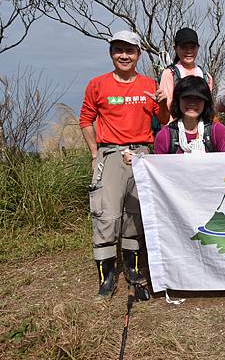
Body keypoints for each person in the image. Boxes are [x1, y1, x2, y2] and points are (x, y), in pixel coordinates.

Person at [79, 30, 169, 299]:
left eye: (129, 50)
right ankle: (106, 277)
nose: (124, 55)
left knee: (135, 216)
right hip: (110, 155)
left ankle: (132, 269)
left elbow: (163, 120)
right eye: (118, 50)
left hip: (142, 154)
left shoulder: (148, 84)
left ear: (138, 54)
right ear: (111, 53)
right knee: (106, 216)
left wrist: (163, 103)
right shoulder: (97, 84)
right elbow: (85, 119)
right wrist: (95, 152)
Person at [125, 76, 225, 158]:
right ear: (178, 100)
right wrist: (136, 160)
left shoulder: (217, 131)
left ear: (206, 102)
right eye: (187, 98)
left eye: (198, 99)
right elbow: (158, 171)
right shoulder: (165, 135)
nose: (192, 103)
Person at [158, 27, 214, 114]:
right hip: (175, 125)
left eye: (192, 47)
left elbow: (207, 106)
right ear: (176, 49)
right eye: (184, 47)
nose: (189, 51)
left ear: (198, 48)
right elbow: (167, 107)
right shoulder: (169, 74)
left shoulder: (206, 76)